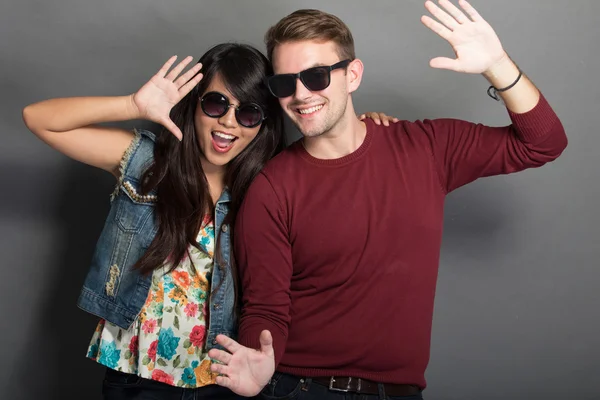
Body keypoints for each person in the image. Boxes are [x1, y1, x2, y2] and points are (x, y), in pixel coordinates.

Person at [207, 1, 568, 399]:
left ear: (353, 75)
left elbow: (543, 143)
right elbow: (266, 306)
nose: (300, 94)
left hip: (400, 392)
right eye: (284, 83)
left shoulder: (426, 148)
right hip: (301, 388)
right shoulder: (271, 188)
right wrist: (261, 359)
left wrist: (497, 64)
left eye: (316, 76)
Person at [22, 42, 393, 399]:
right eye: (216, 103)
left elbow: (347, 176)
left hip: (226, 380)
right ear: (195, 106)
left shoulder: (270, 186)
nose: (229, 123)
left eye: (248, 113)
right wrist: (132, 104)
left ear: (262, 124)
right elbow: (38, 119)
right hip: (137, 378)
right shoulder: (147, 163)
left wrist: (362, 129)